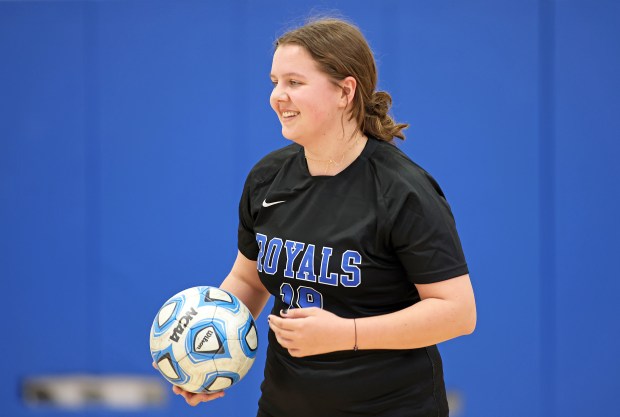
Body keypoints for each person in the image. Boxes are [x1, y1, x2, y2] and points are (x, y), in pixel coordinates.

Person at [173, 17, 476, 417]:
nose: (277, 96)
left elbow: (457, 311)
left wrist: (346, 334)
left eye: (294, 82)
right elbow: (248, 279)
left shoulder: (402, 190)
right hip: (285, 405)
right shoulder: (267, 178)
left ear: (345, 92)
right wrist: (207, 361)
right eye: (274, 81)